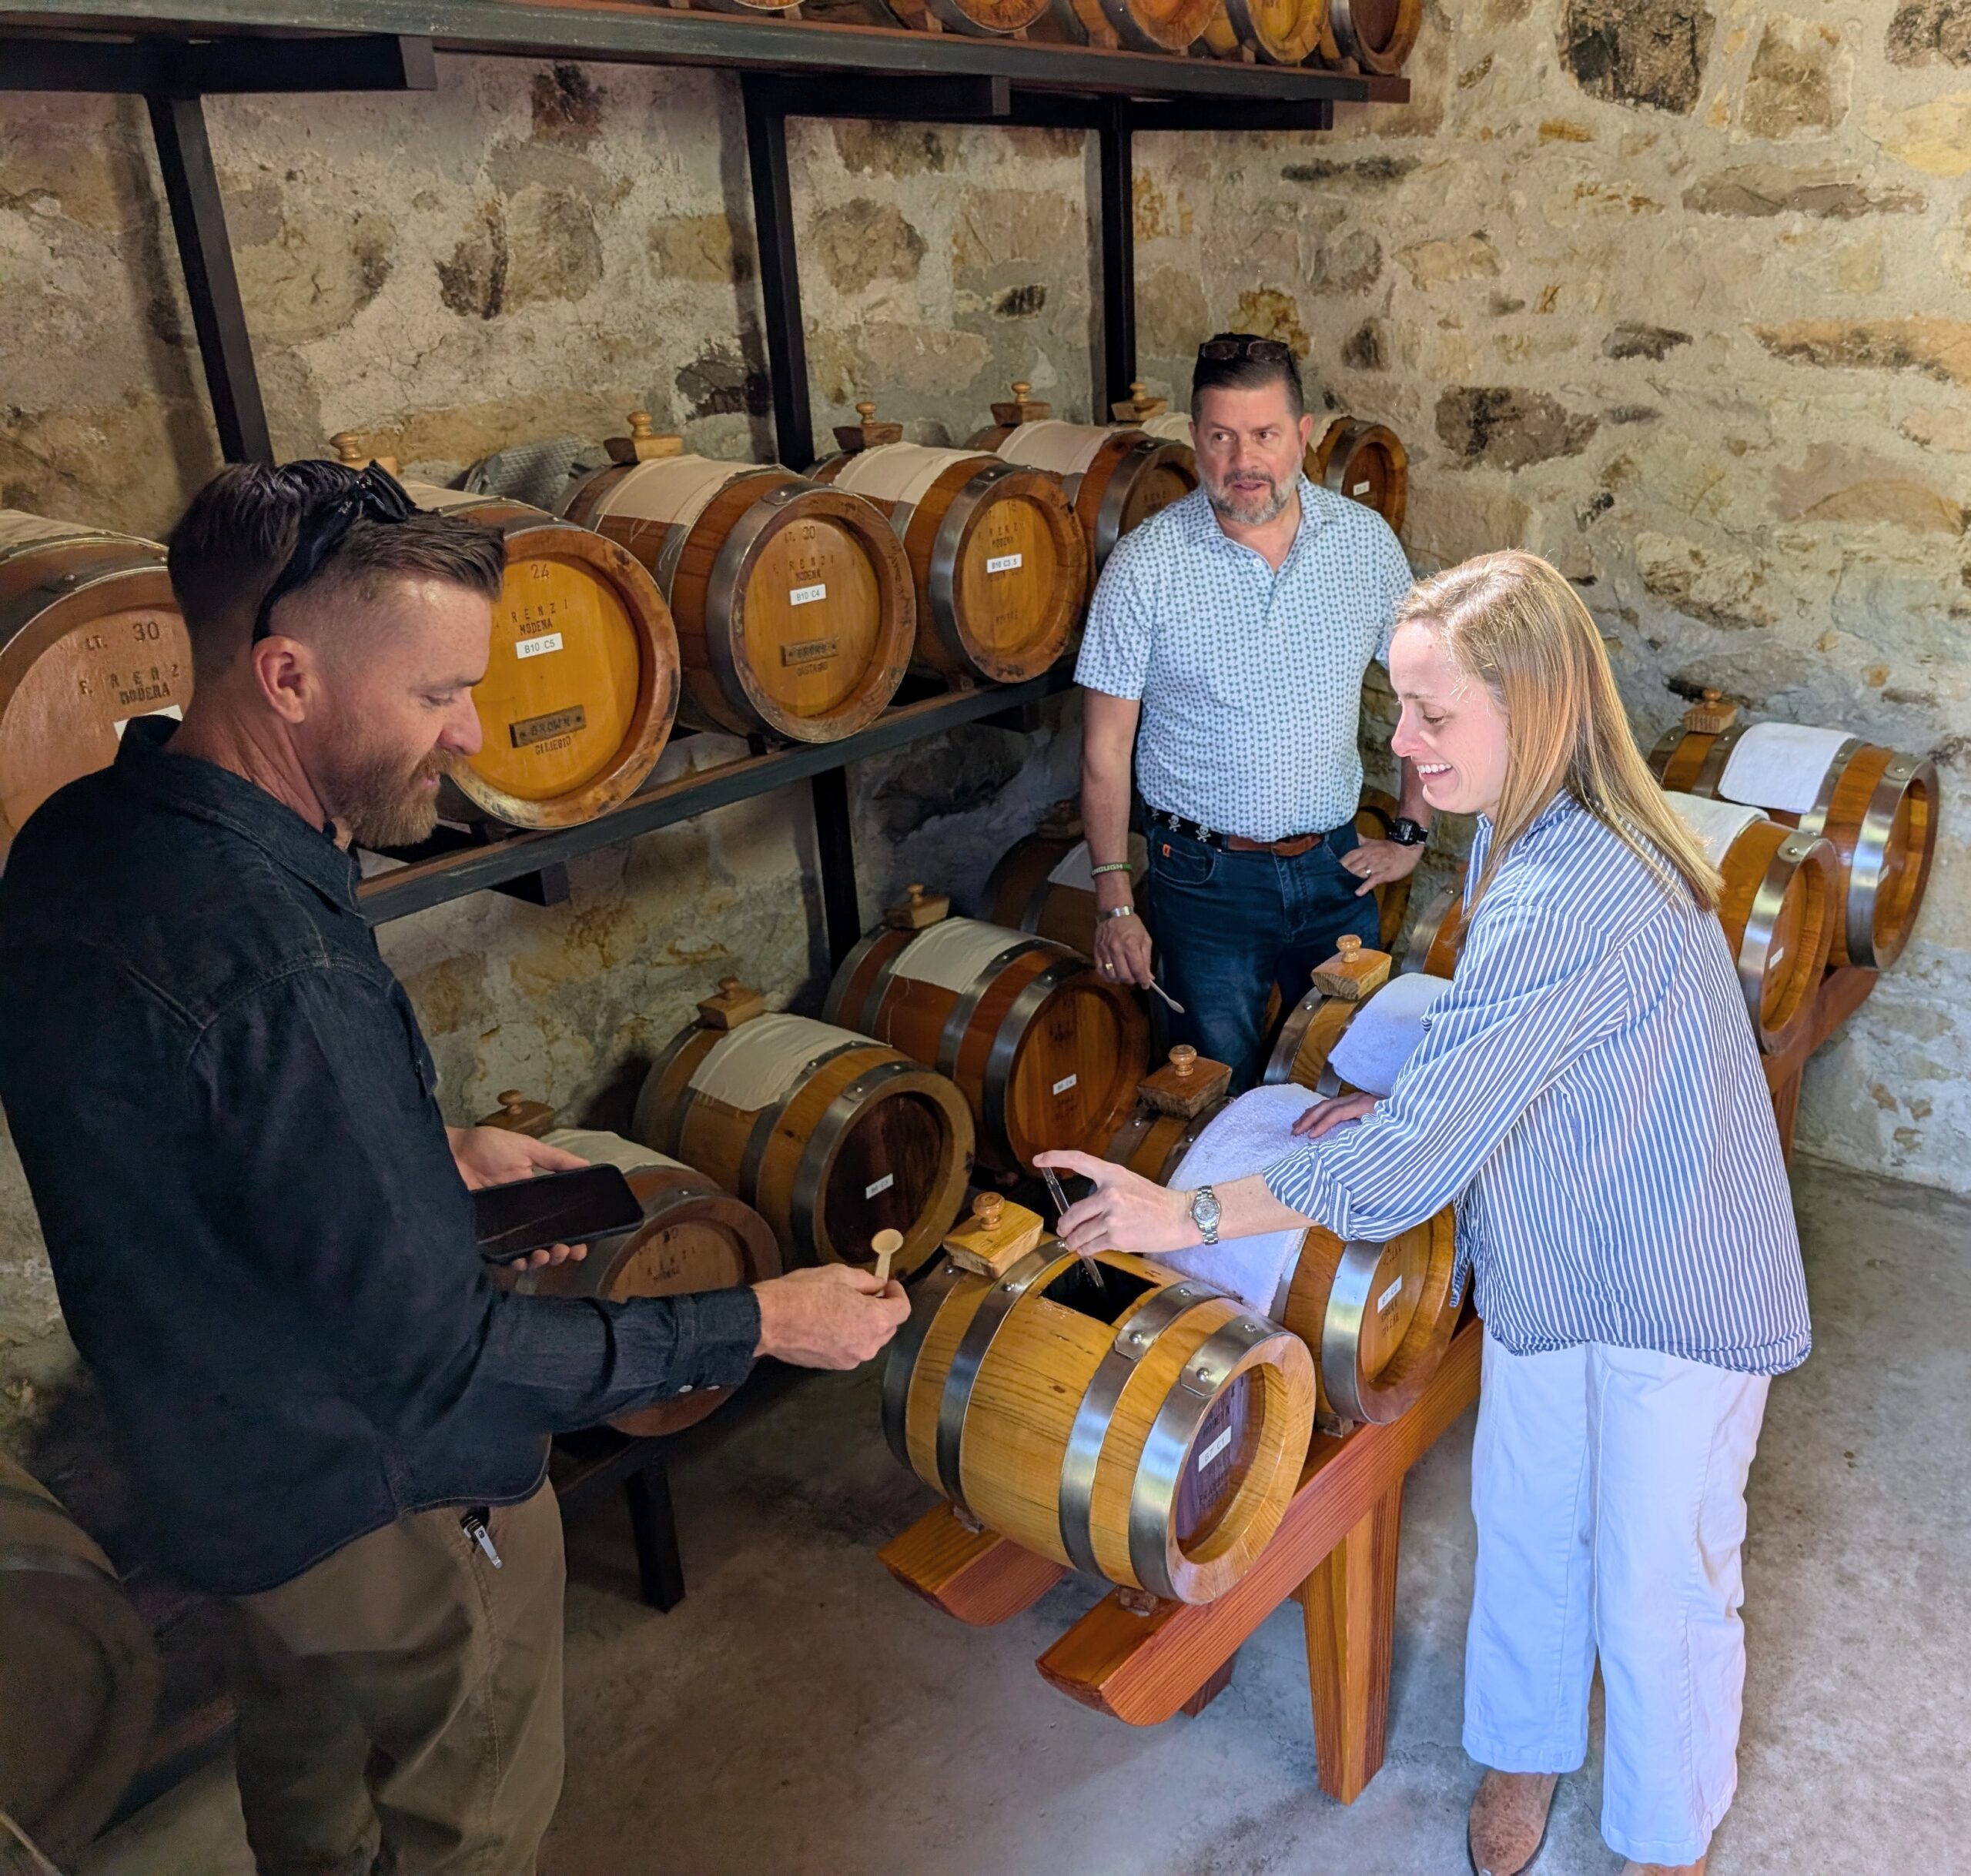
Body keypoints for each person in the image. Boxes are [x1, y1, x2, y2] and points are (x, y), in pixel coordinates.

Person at [0, 461, 910, 1876]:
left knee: (306, 1783)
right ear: (287, 674)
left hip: (228, 1484)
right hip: (392, 1515)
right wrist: (763, 1320)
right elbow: (443, 1365)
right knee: (463, 1826)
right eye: (435, 694)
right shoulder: (281, 958)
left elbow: (185, 1128)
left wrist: (413, 1162)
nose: (474, 728)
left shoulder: (80, 837)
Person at [1039, 550, 1809, 1876]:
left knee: (1661, 1582)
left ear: (1539, 707)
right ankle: (1524, 1752)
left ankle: (1665, 1831)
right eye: (1396, 707)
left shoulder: (1584, 883)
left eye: (1432, 715)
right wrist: (1406, 1078)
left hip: (1676, 1269)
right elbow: (1509, 1032)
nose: (1401, 746)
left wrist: (1184, 1211)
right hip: (1558, 1242)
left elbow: (1402, 1177)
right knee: (1525, 1523)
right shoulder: (1525, 822)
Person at [1075, 333, 1434, 1090]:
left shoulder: (1364, 545)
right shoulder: (1146, 564)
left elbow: (1424, 691)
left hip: (1335, 866)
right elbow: (1105, 749)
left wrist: (1411, 830)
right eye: (1220, 436)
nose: (1243, 460)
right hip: (1203, 880)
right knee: (1214, 1092)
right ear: (1194, 439)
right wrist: (1113, 897)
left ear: (1302, 435)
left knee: (1350, 1073)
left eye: (1265, 434)